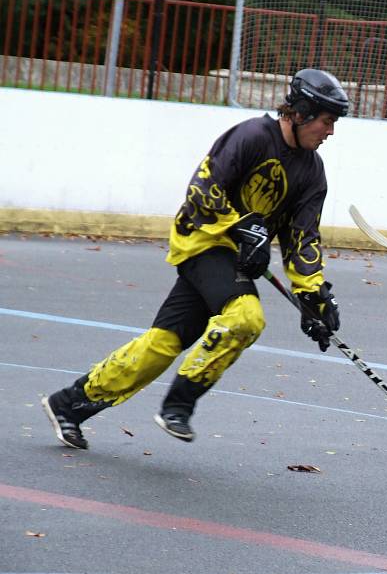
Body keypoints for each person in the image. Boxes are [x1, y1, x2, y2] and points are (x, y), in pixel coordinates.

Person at [42, 68, 349, 449]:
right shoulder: (252, 136)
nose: (330, 131)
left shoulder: (312, 172)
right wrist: (241, 228)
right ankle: (179, 404)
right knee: (246, 317)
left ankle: (68, 405)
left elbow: (303, 238)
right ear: (301, 112)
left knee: (161, 345)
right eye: (327, 121)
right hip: (203, 243)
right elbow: (203, 189)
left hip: (232, 260)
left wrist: (314, 295)